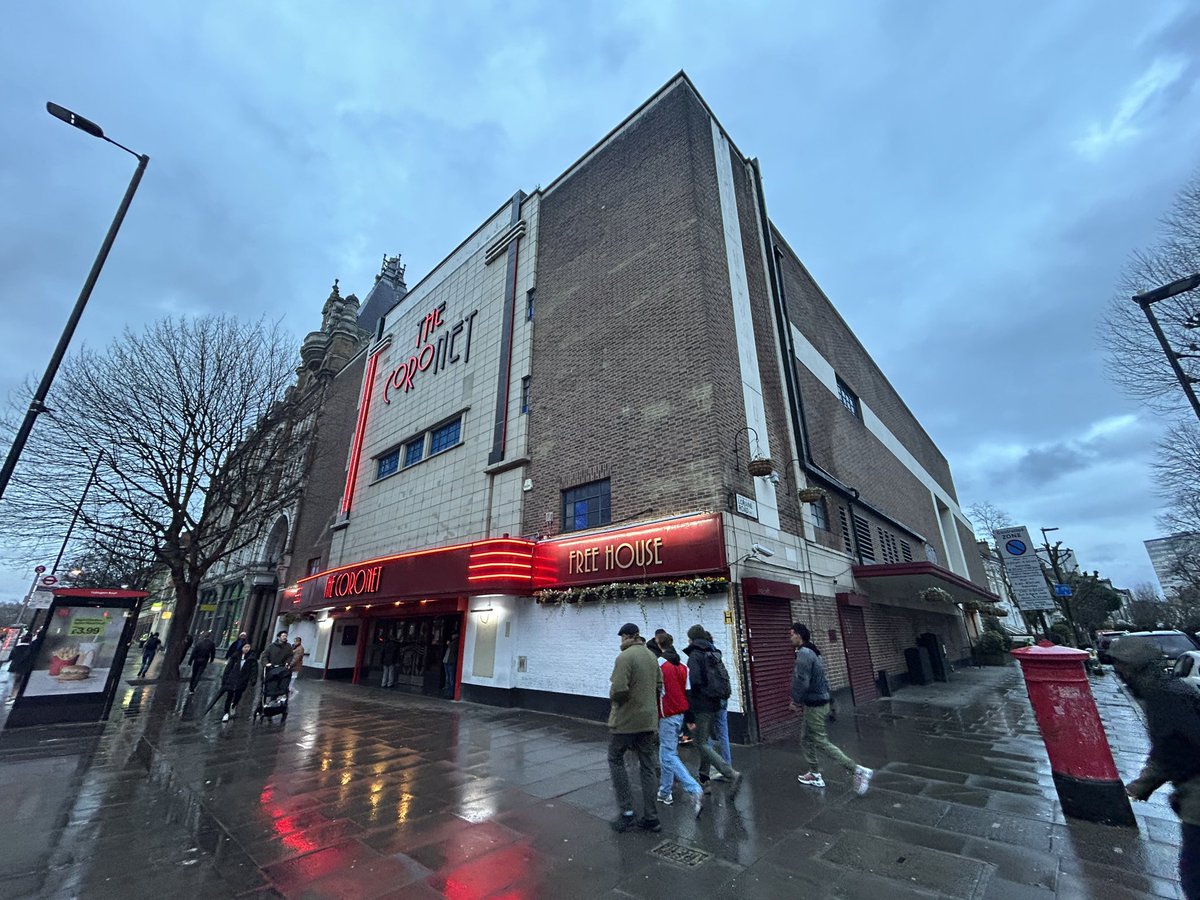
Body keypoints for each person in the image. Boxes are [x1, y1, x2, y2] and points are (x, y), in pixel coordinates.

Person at [1111, 639, 1200, 898]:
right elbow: (1168, 746)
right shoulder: (1171, 690)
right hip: (1190, 789)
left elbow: (1172, 747)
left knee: (1194, 875)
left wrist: (1138, 788)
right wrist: (1139, 788)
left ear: (1131, 669)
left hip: (1196, 793)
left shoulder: (1163, 697)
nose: (1118, 672)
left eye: (1120, 666)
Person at [790, 622, 873, 795]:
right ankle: (814, 774)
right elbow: (822, 679)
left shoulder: (804, 653)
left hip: (815, 705)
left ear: (799, 635)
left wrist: (795, 700)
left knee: (820, 741)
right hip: (818, 702)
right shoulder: (814, 652)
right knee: (805, 739)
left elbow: (801, 680)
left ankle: (857, 770)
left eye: (791, 634)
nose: (790, 637)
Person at [608, 622, 664, 833]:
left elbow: (619, 689)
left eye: (622, 637)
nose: (621, 641)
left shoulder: (625, 657)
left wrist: (615, 699)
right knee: (648, 766)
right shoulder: (651, 656)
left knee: (615, 759)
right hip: (648, 721)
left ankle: (627, 813)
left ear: (627, 637)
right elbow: (659, 686)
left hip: (625, 721)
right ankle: (651, 817)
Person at [683, 624, 743, 796]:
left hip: (702, 706)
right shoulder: (712, 652)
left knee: (701, 742)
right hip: (717, 702)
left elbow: (694, 682)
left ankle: (730, 773)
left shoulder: (695, 655)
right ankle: (704, 778)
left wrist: (691, 711)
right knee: (705, 741)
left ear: (692, 638)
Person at [655, 632, 704, 817]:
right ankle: (665, 791)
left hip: (666, 714)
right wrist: (690, 719)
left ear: (659, 644)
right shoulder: (682, 666)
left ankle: (694, 789)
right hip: (680, 714)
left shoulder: (659, 664)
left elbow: (656, 689)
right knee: (667, 752)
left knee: (668, 756)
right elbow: (687, 693)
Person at [218, 643, 258, 721]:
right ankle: (226, 713)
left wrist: (253, 679)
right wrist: (225, 677)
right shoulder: (235, 656)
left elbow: (254, 670)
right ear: (242, 648)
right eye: (245, 647)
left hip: (243, 679)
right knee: (229, 696)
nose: (247, 649)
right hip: (232, 679)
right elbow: (229, 667)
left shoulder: (252, 658)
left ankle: (234, 704)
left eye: (248, 647)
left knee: (238, 694)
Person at [4, 632, 35, 703]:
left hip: (13, 667)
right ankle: (14, 696)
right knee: (19, 683)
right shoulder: (30, 649)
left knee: (11, 681)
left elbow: (10, 657)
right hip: (24, 668)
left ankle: (9, 696)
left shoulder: (16, 648)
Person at [443, 632, 459, 698]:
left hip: (451, 662)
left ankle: (451, 694)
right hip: (446, 661)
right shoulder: (452, 642)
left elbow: (453, 650)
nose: (452, 636)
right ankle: (447, 693)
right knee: (447, 678)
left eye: (453, 634)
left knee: (451, 679)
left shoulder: (456, 642)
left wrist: (449, 644)